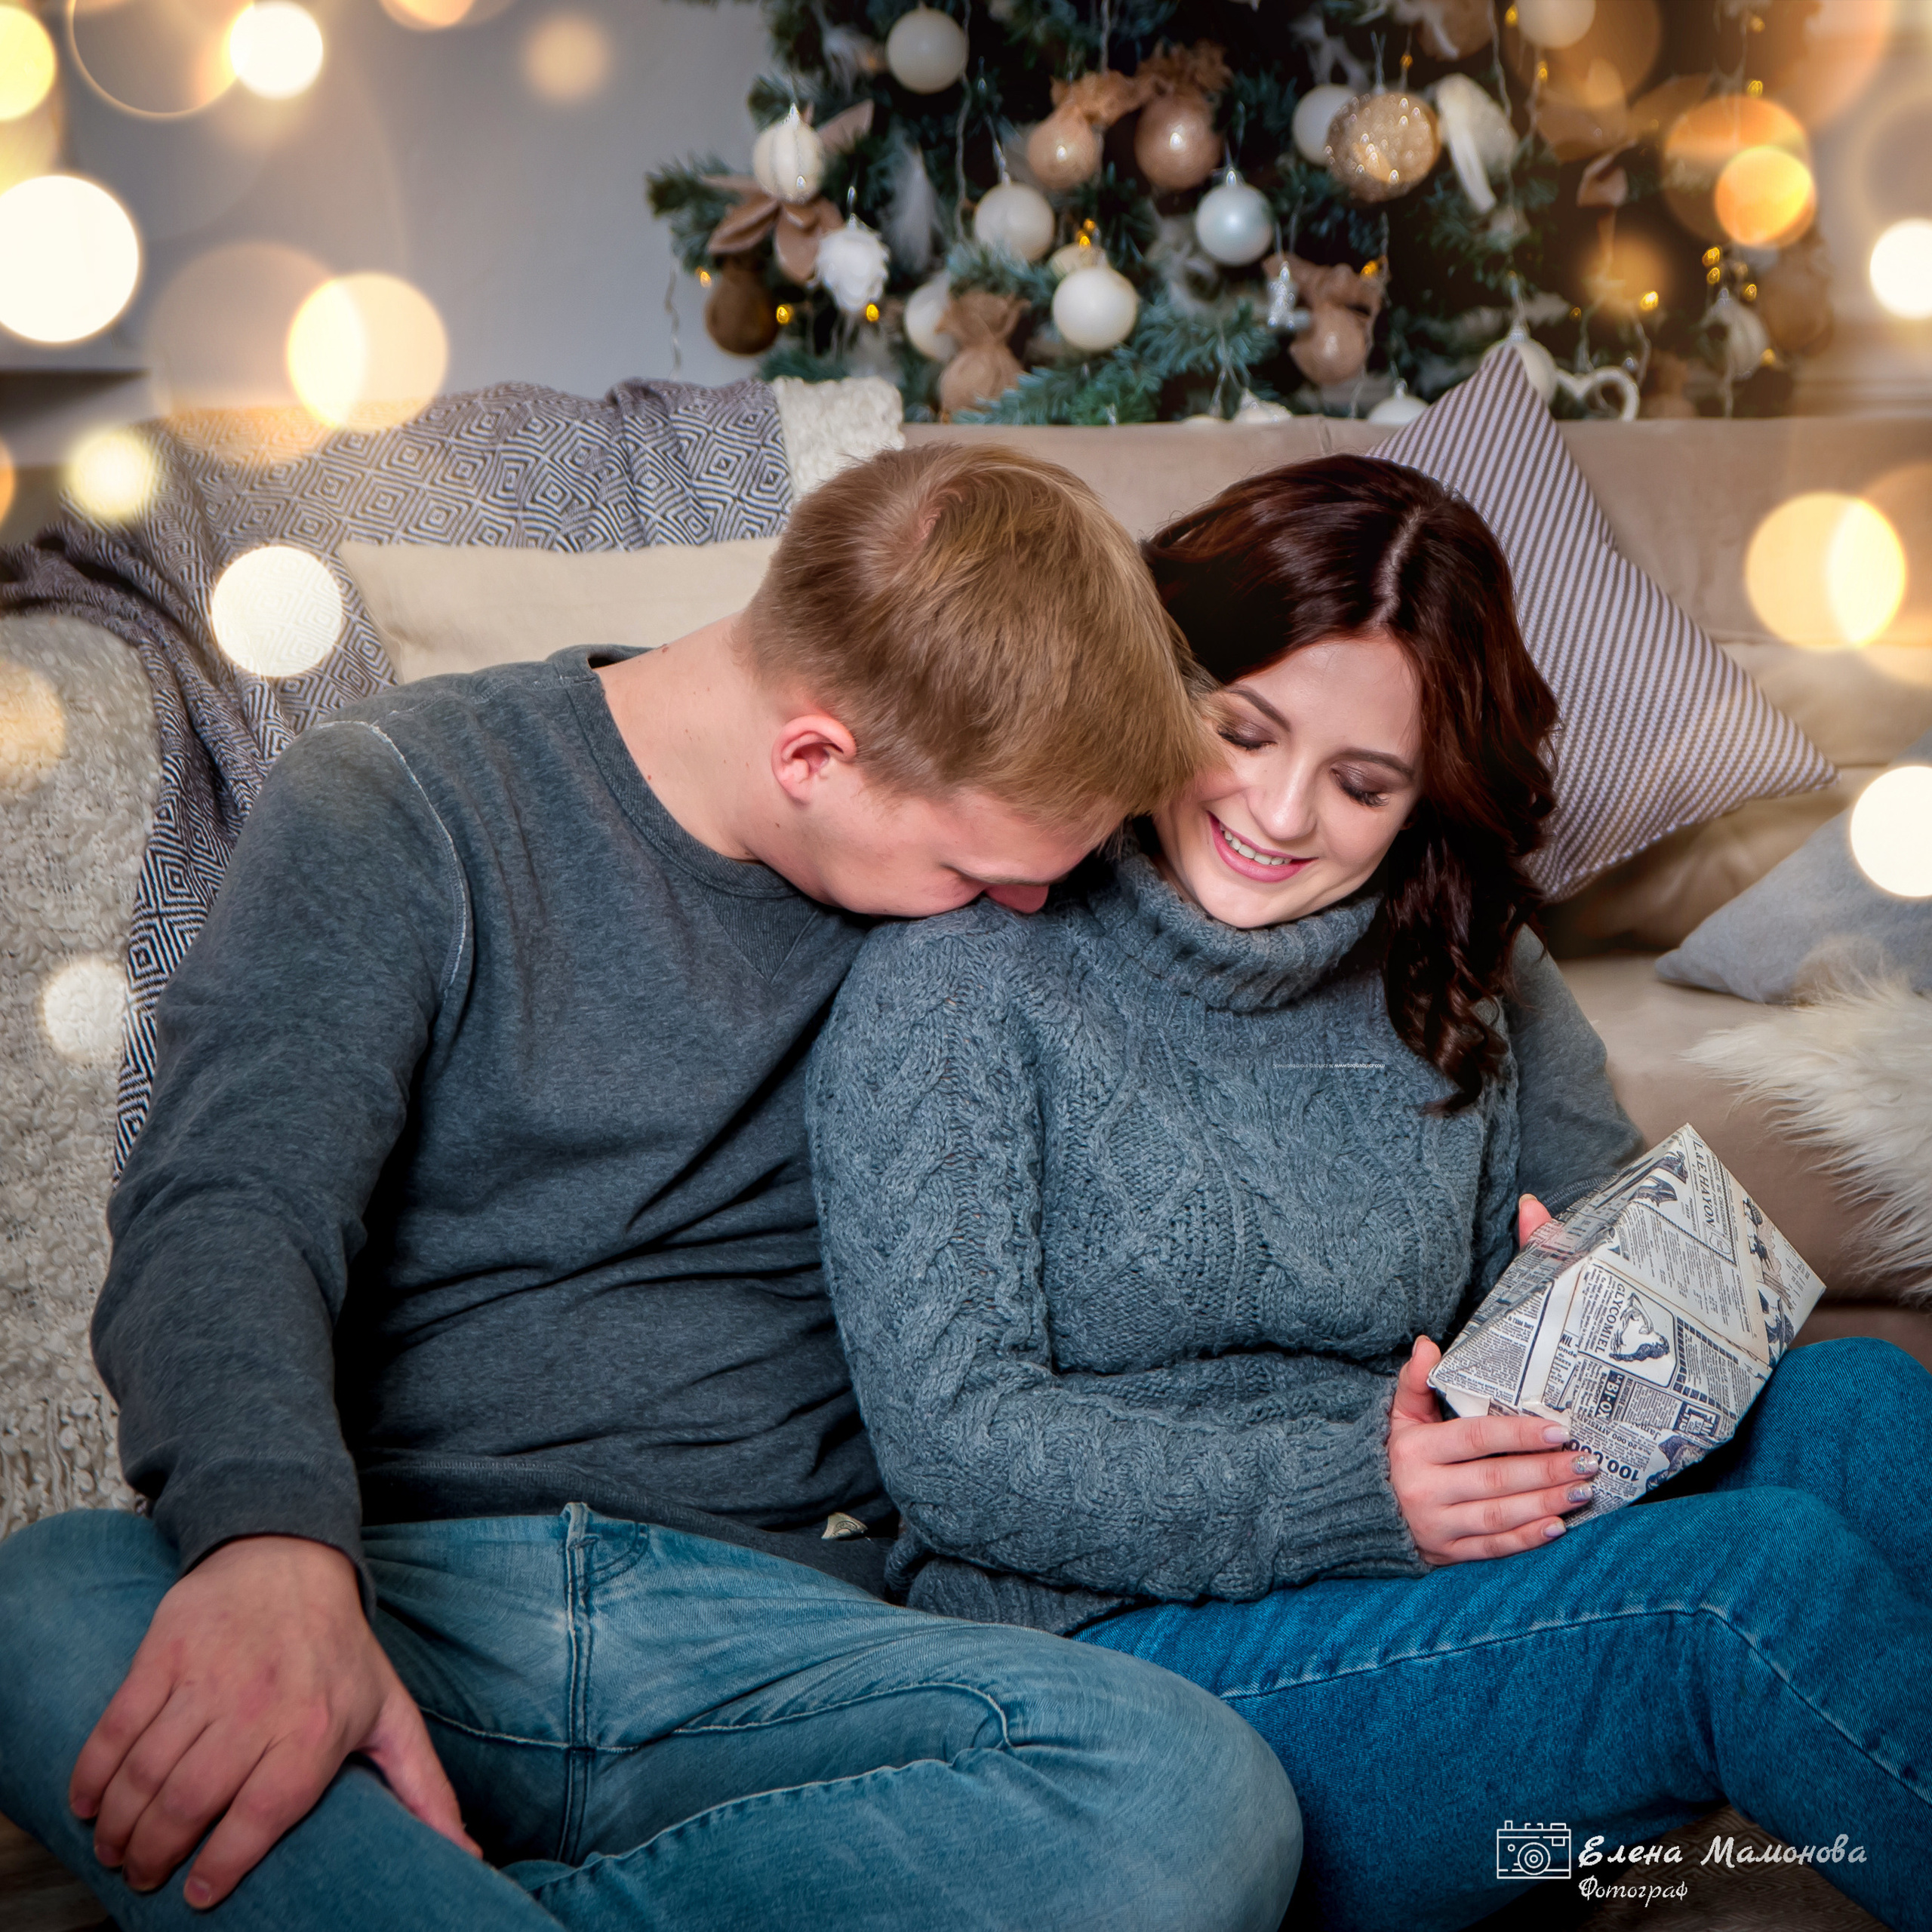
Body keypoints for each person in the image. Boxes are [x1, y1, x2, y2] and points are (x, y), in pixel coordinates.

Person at [0, 445, 1303, 1931]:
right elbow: (227, 1203)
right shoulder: (399, 798)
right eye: (974, 870)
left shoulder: (973, 908)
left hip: (774, 1641)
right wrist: (273, 1554)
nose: (1025, 911)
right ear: (812, 759)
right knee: (48, 1605)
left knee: (1193, 1796)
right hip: (403, 1584)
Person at [808, 454, 1932, 1932]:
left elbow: (1630, 1240)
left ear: (1423, 797)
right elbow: (954, 1448)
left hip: (1437, 1564)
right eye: (1240, 730)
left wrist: (1601, 1309)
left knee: (1857, 1401)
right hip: (1122, 1655)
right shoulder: (962, 982)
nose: (1278, 814)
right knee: (1736, 1590)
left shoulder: (1466, 961)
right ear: (1159, 678)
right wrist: (1362, 1493)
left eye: (1361, 782)